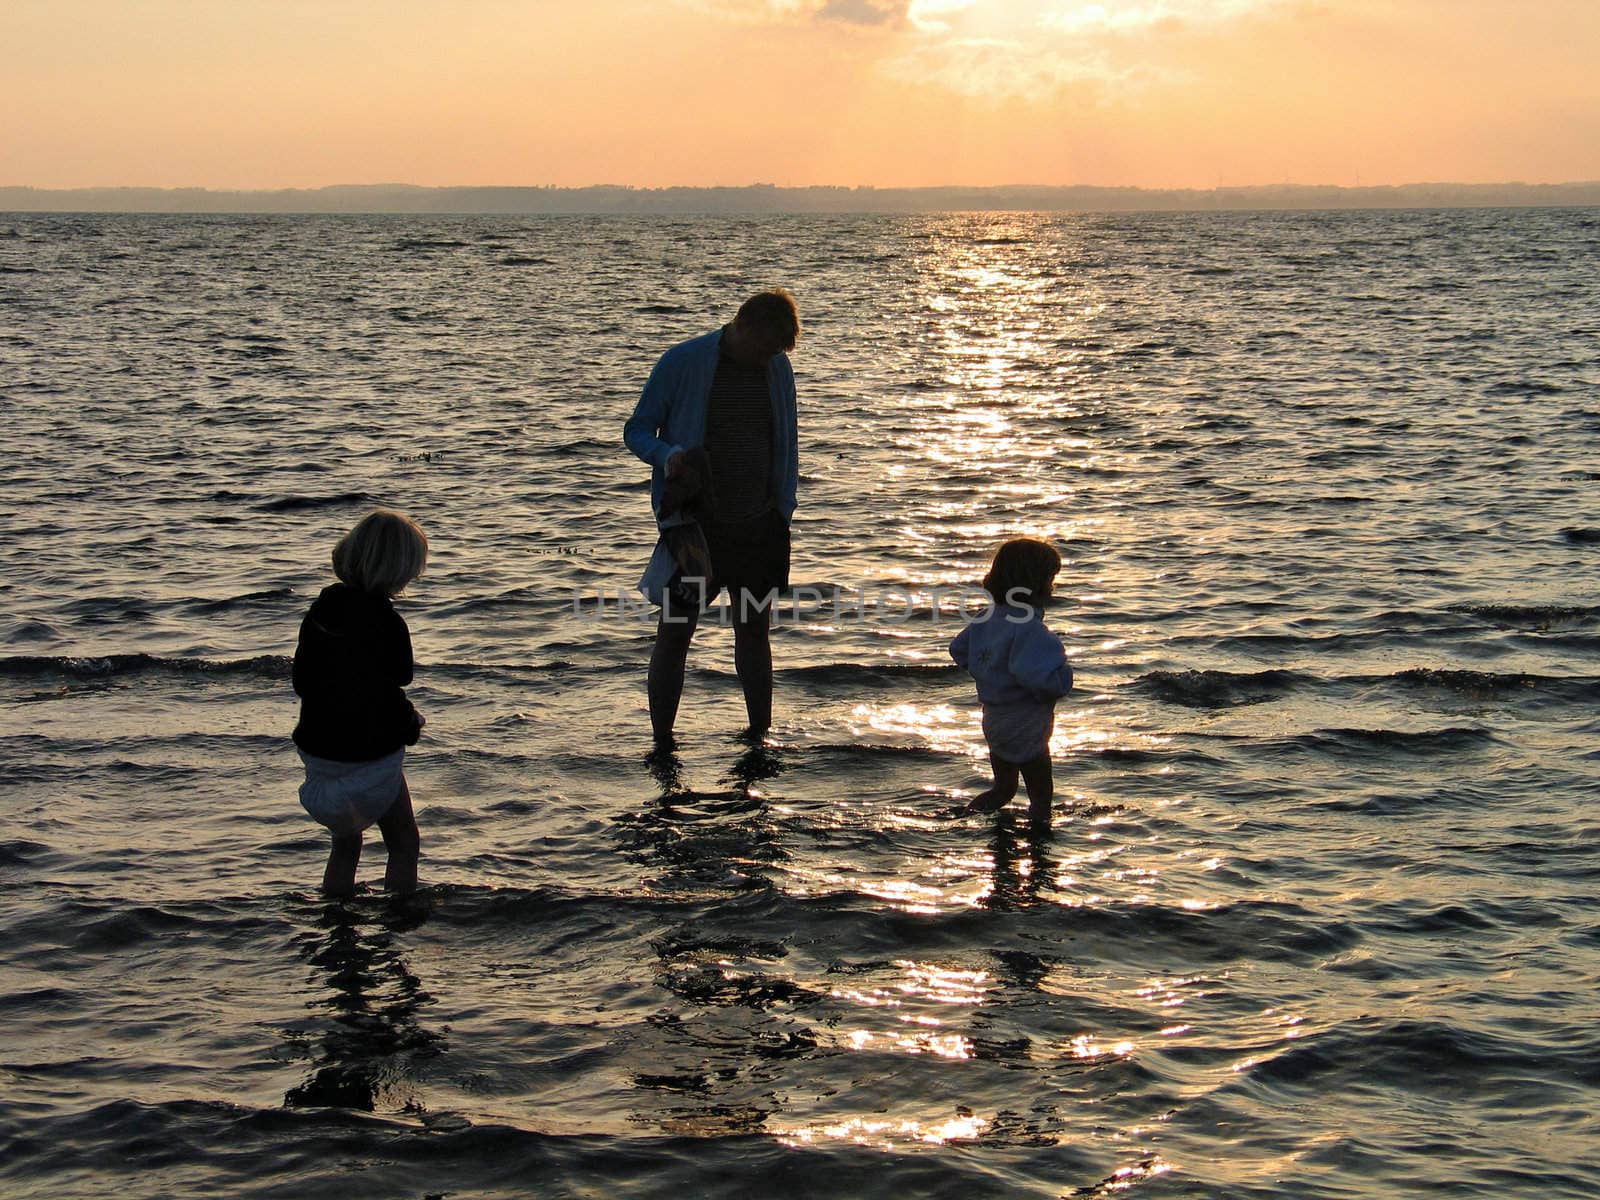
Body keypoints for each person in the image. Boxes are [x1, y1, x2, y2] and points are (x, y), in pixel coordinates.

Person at [624, 289, 801, 746]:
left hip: (760, 525)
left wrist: (783, 509)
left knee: (754, 631)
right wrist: (670, 456)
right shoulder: (683, 361)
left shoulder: (777, 367)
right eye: (763, 348)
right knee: (675, 632)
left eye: (775, 352)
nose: (768, 358)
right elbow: (637, 429)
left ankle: (760, 736)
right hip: (695, 529)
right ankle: (662, 740)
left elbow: (787, 441)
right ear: (741, 325)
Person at [292, 510, 428, 896]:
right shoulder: (387, 624)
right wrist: (411, 726)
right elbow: (390, 689)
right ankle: (399, 913)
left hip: (319, 747)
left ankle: (337, 915)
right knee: (403, 842)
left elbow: (303, 681)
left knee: (346, 841)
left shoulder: (320, 613)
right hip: (369, 753)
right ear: (398, 569)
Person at [950, 537, 1074, 827]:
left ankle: (965, 820)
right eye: (1050, 580)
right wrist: (1062, 680)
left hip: (994, 718)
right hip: (1024, 722)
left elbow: (958, 650)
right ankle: (1040, 844)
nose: (1052, 587)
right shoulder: (1031, 629)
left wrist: (987, 670)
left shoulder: (987, 618)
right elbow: (1035, 676)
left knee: (1003, 789)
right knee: (1040, 794)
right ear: (1037, 585)